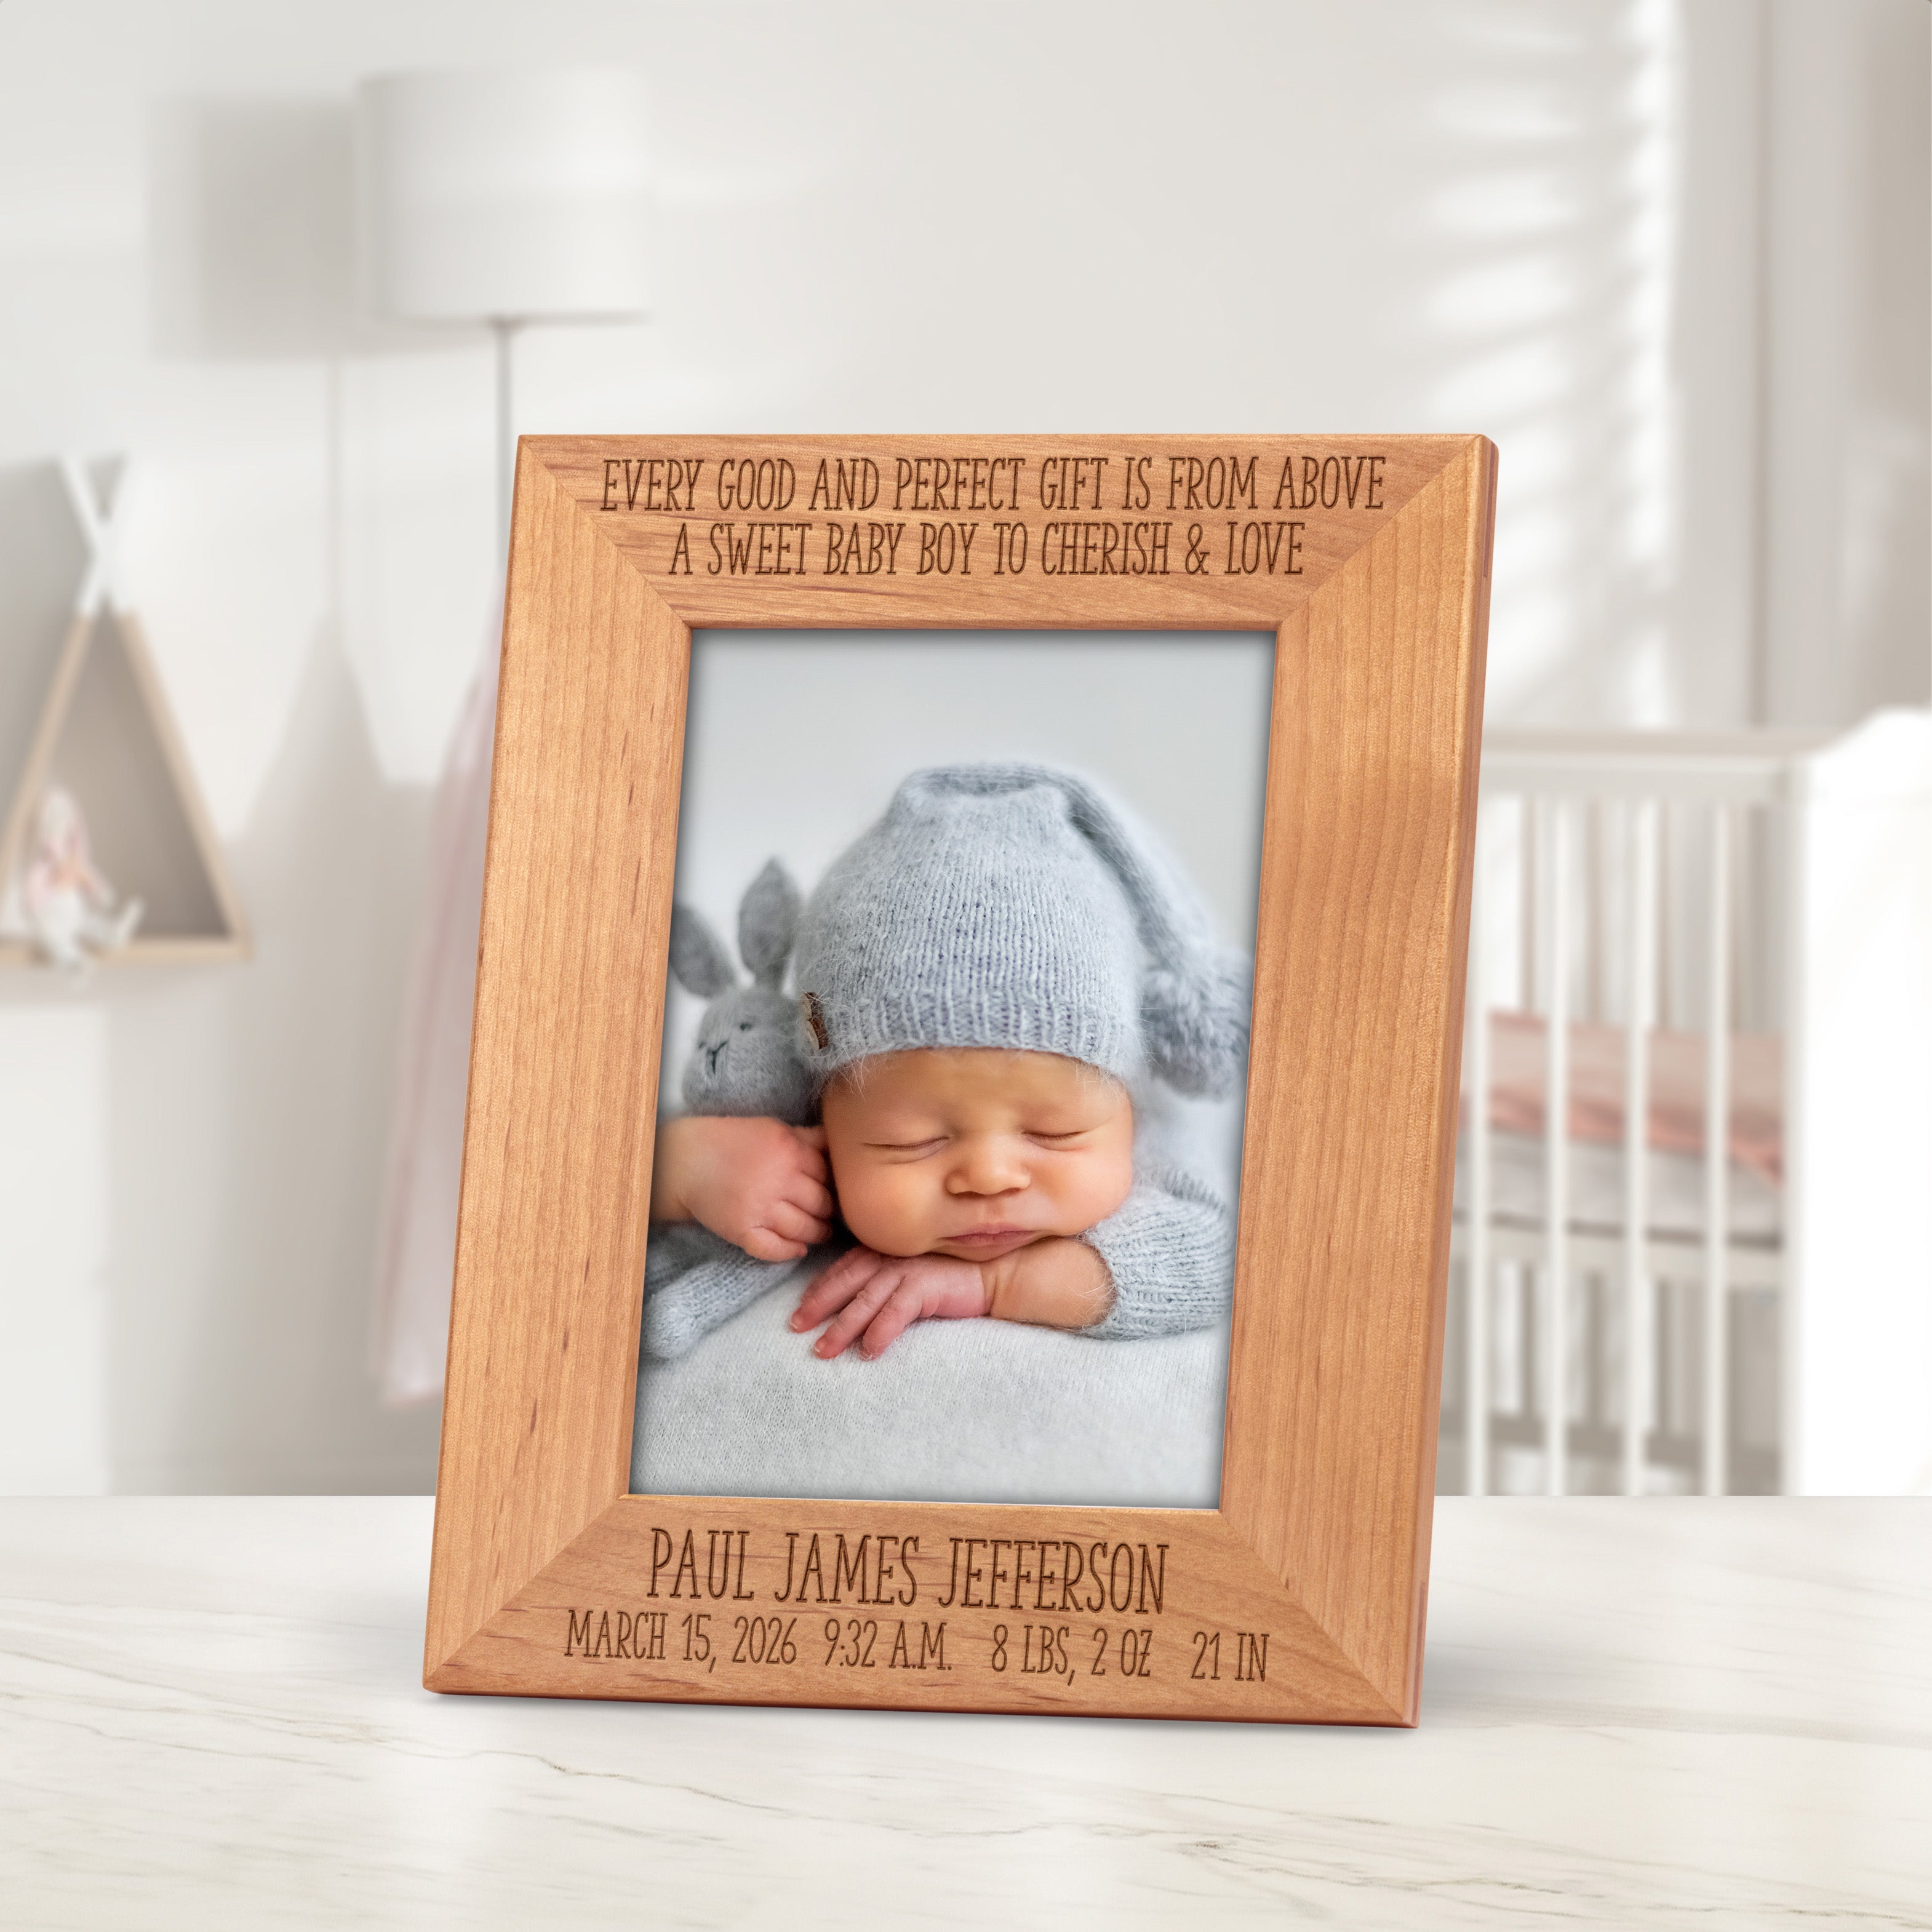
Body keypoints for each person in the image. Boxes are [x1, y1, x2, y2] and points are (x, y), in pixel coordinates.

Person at [644, 762, 1249, 1359]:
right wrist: (682, 1165)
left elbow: (1219, 1255)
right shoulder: (797, 1139)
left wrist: (995, 1283)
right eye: (911, 1140)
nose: (987, 1176)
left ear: (1127, 1102)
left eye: (1052, 1131)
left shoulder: (1157, 1146)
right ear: (819, 1110)